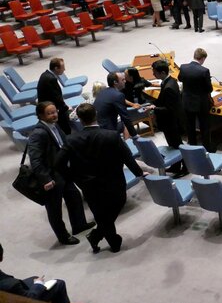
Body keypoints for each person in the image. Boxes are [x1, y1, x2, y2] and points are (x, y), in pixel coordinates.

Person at [55, 104, 145, 254]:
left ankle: (100, 237)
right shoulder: (111, 135)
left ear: (80, 119)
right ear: (96, 115)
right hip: (113, 181)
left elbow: (58, 164)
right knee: (116, 205)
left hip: (88, 185)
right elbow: (127, 157)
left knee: (100, 214)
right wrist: (139, 173)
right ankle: (110, 241)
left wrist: (74, 177)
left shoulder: (71, 139)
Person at [27, 102, 93, 245]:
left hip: (63, 171)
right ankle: (63, 237)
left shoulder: (54, 126)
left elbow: (65, 144)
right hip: (51, 177)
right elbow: (35, 160)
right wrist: (45, 179)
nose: (54, 115)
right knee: (54, 209)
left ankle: (79, 225)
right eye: (50, 113)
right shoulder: (38, 133)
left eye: (55, 111)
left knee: (74, 196)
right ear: (41, 116)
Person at [147, 60, 187, 177]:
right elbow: (162, 100)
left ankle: (185, 168)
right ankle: (176, 165)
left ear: (163, 72)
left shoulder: (169, 87)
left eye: (155, 72)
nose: (153, 74)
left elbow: (169, 109)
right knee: (172, 145)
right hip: (169, 121)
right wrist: (153, 104)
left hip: (172, 122)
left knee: (177, 145)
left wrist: (154, 108)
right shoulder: (169, 81)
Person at [0, 243, 71, 303]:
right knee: (59, 284)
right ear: (1, 257)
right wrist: (38, 284)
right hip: (22, 299)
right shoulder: (11, 285)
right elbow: (28, 300)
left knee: (34, 278)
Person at [178, 48, 214, 152]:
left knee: (190, 126)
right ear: (202, 58)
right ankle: (206, 148)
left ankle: (192, 146)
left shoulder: (183, 67)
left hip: (187, 102)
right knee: (204, 127)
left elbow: (180, 79)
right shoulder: (204, 71)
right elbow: (209, 89)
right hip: (201, 104)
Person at [94, 72, 138, 137]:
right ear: (115, 82)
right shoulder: (118, 95)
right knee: (125, 124)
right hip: (108, 131)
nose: (125, 81)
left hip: (97, 129)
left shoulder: (103, 92)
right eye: (123, 80)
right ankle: (128, 141)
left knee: (122, 124)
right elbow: (125, 117)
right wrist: (135, 135)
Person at [37, 58, 73, 134]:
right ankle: (67, 134)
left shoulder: (45, 74)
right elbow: (57, 98)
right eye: (63, 67)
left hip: (45, 104)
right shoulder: (51, 79)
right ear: (56, 68)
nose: (64, 69)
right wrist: (66, 108)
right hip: (49, 107)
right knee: (65, 116)